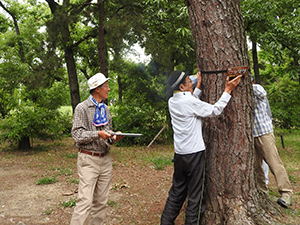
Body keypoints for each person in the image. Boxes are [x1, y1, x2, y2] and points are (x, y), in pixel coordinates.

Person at [161, 70, 242, 224]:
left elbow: (191, 104)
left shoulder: (172, 101)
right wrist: (227, 90)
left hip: (180, 155)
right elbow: (215, 110)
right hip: (194, 156)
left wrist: (197, 87)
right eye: (188, 81)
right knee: (195, 195)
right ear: (182, 87)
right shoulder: (189, 102)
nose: (191, 81)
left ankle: (165, 222)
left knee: (177, 192)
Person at [70, 73, 123, 225]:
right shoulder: (82, 108)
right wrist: (98, 134)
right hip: (88, 159)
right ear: (97, 88)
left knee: (101, 202)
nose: (108, 88)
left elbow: (108, 132)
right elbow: (77, 134)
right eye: (106, 86)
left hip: (105, 160)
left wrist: (114, 137)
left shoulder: (105, 109)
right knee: (85, 201)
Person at [252, 77, 293, 208]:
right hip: (251, 135)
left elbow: (261, 93)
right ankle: (262, 192)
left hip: (264, 133)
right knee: (256, 167)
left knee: (274, 163)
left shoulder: (257, 88)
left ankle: (286, 193)